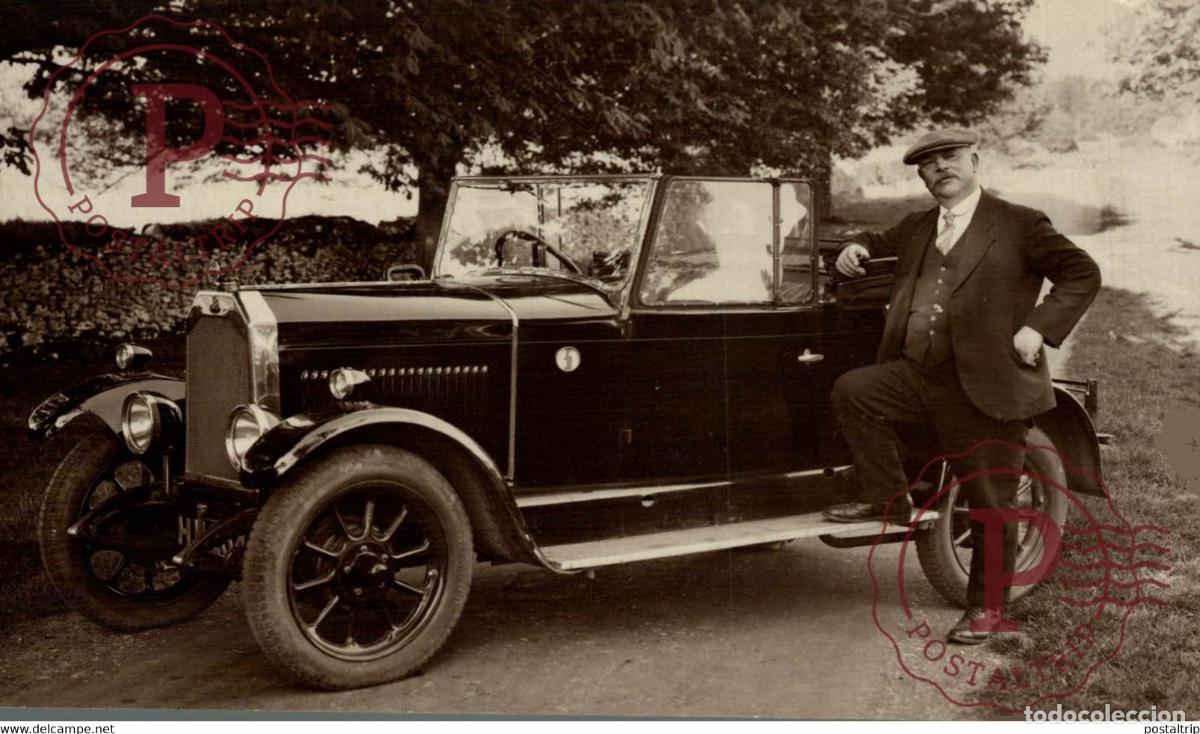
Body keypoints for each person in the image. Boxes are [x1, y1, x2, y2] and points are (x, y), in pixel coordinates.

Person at [821, 128, 1101, 644]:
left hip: (989, 384)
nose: (940, 168)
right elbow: (874, 242)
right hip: (918, 373)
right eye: (928, 164)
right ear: (922, 176)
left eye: (950, 157)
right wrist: (854, 245)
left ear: (974, 160)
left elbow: (1081, 272)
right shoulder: (919, 226)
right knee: (854, 390)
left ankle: (988, 609)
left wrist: (1037, 328)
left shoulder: (1019, 223)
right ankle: (888, 499)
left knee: (990, 499)